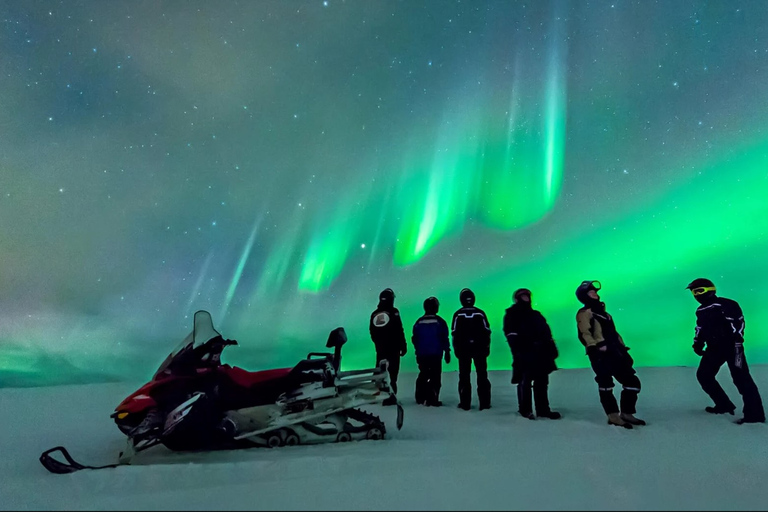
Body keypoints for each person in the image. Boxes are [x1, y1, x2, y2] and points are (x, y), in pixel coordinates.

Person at [686, 278, 765, 424]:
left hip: (732, 347)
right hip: (714, 348)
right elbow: (700, 328)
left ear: (711, 291)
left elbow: (738, 322)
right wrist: (697, 343)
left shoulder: (726, 304)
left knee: (742, 379)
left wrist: (737, 341)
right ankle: (723, 404)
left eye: (699, 291)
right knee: (704, 375)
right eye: (693, 292)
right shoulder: (701, 310)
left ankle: (755, 415)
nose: (696, 295)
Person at [575, 280, 645, 428]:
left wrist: (623, 348)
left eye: (595, 292)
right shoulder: (584, 313)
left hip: (615, 353)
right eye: (591, 292)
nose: (595, 294)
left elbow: (614, 333)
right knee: (605, 384)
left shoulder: (605, 314)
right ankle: (613, 415)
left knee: (632, 382)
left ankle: (627, 413)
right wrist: (594, 348)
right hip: (601, 355)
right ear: (584, 296)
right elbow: (584, 333)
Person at [503, 288, 561, 420]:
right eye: (523, 296)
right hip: (524, 353)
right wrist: (518, 350)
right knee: (525, 381)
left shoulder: (536, 315)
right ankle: (525, 410)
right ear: (517, 299)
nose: (526, 299)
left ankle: (543, 410)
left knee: (542, 382)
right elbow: (511, 334)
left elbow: (547, 333)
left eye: (527, 296)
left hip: (541, 353)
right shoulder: (512, 314)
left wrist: (551, 348)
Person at [451, 288, 492, 410]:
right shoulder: (480, 313)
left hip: (464, 350)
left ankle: (465, 404)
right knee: (482, 375)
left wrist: (457, 349)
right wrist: (486, 347)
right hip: (479, 349)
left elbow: (454, 333)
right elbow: (487, 331)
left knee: (464, 376)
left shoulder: (458, 314)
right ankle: (484, 403)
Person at [369, 288, 407, 405]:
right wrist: (402, 345)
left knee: (379, 371)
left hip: (381, 349)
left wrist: (378, 344)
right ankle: (390, 396)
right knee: (392, 373)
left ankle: (374, 394)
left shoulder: (375, 314)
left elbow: (372, 332)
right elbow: (399, 329)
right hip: (393, 348)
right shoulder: (394, 312)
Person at [411, 296, 451, 407]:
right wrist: (447, 351)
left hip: (422, 354)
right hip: (436, 354)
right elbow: (444, 338)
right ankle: (432, 398)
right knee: (435, 376)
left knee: (423, 374)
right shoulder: (440, 322)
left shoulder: (419, 322)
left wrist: (418, 349)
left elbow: (415, 338)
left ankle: (420, 397)